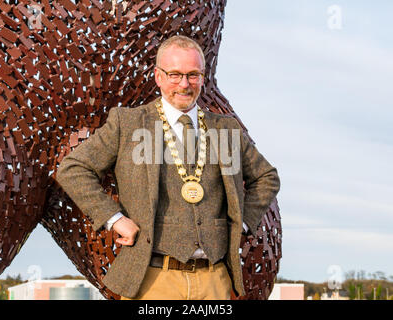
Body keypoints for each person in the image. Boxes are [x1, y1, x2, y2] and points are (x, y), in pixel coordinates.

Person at [56, 35, 280, 300]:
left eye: (193, 75)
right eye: (175, 74)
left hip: (215, 281)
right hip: (152, 281)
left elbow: (267, 177)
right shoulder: (127, 123)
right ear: (158, 76)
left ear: (202, 77)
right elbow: (72, 169)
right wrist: (114, 219)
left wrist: (241, 223)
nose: (184, 84)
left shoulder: (226, 129)